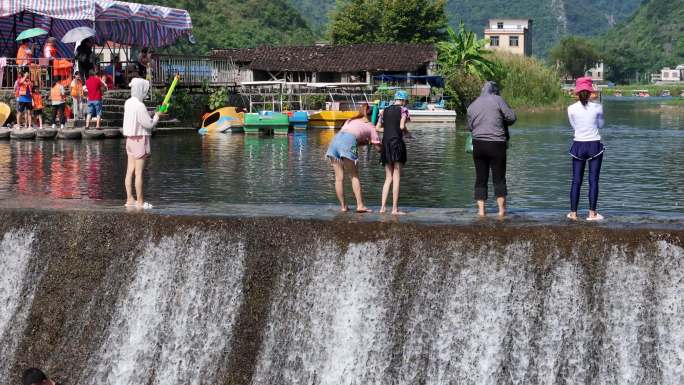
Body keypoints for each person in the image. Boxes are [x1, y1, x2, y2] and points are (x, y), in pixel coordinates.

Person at [466, 81, 516, 218]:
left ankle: (481, 212)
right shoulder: (498, 100)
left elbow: (470, 127)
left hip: (478, 144)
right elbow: (511, 117)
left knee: (480, 178)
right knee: (499, 178)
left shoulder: (473, 104)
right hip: (497, 144)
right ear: (495, 91)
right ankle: (501, 211)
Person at [325, 103, 380, 213]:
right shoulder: (370, 126)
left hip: (335, 141)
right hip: (348, 142)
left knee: (338, 178)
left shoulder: (350, 120)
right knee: (354, 176)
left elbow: (352, 136)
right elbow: (378, 147)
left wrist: (363, 142)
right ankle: (360, 206)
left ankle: (343, 207)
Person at [567, 77, 605, 221]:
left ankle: (573, 214)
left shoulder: (571, 108)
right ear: (590, 93)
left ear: (577, 93)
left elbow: (574, 126)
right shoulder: (598, 107)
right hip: (594, 145)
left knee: (576, 180)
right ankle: (592, 214)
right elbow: (601, 125)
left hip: (578, 145)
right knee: (593, 180)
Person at [123, 78, 160, 209]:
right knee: (139, 173)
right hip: (139, 140)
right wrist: (157, 116)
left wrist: (150, 114)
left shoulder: (128, 103)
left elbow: (137, 118)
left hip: (129, 140)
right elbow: (148, 124)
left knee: (129, 171)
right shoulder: (140, 106)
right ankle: (140, 202)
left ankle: (129, 199)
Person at [376, 90, 411, 215]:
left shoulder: (384, 110)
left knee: (388, 178)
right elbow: (402, 126)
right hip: (396, 144)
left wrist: (390, 128)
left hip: (385, 144)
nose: (406, 104)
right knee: (396, 177)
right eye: (406, 101)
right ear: (403, 101)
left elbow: (377, 128)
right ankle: (395, 209)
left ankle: (382, 208)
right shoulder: (403, 111)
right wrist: (407, 133)